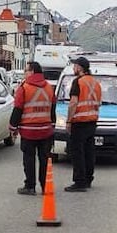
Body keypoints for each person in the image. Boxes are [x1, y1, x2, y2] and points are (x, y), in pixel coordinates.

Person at [9, 61, 56, 196]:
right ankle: (45, 186)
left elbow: (18, 108)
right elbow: (53, 108)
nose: (25, 73)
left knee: (29, 159)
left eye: (26, 70)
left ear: (33, 72)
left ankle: (30, 186)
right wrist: (52, 125)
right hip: (46, 130)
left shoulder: (24, 88)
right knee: (44, 159)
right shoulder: (48, 87)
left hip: (29, 130)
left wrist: (13, 126)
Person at [65, 56, 102, 192]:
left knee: (77, 153)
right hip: (92, 121)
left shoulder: (78, 82)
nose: (74, 68)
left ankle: (79, 181)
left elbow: (73, 103)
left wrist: (69, 121)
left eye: (75, 66)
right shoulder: (95, 83)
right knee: (89, 151)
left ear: (80, 68)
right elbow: (98, 102)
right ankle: (88, 178)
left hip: (79, 122)